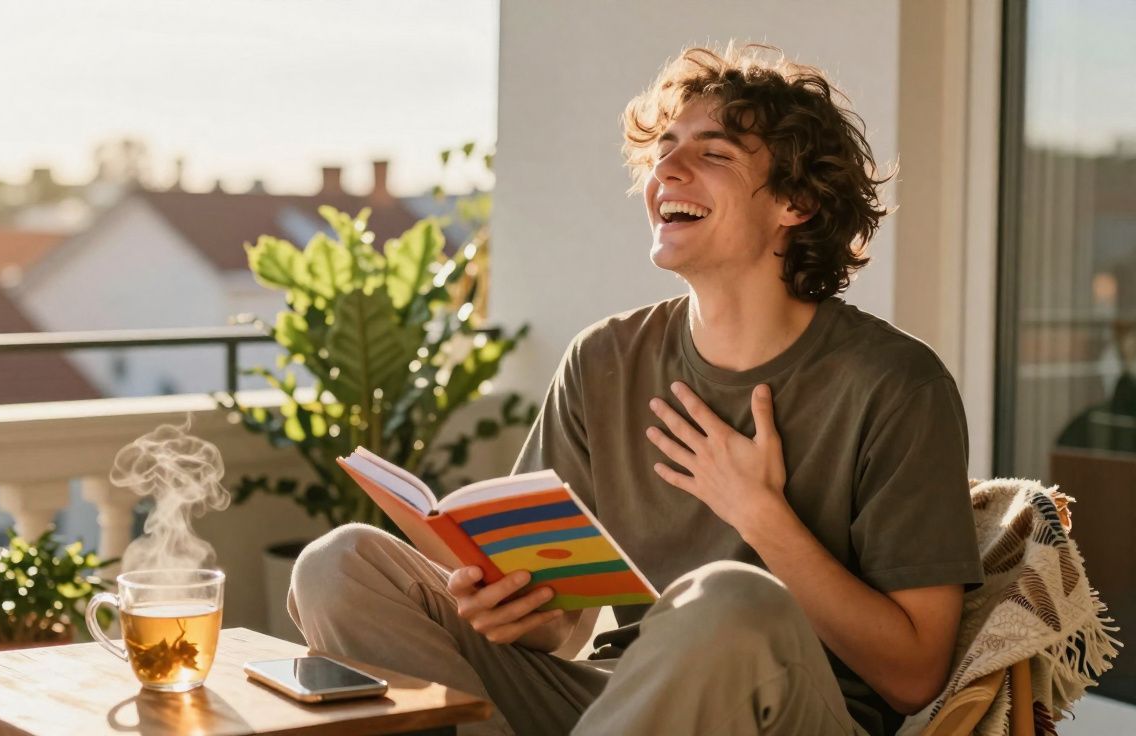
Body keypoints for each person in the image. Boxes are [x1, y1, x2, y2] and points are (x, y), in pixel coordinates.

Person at [287, 42, 983, 736]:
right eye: (664, 150)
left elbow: (913, 674)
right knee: (340, 565)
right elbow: (562, 627)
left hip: (789, 713)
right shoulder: (604, 360)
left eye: (714, 153)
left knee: (729, 599)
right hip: (617, 699)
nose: (667, 170)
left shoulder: (896, 383)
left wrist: (761, 516)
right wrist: (516, 610)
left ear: (795, 201)